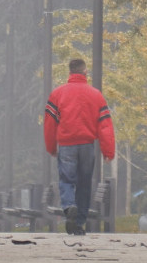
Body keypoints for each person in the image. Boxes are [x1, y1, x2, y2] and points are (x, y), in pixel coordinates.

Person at [43, 58, 116, 235]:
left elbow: (50, 124)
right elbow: (105, 125)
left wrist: (51, 147)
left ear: (70, 72)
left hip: (67, 145)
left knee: (67, 180)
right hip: (87, 146)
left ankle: (69, 207)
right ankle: (79, 223)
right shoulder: (96, 95)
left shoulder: (58, 94)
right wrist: (108, 151)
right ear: (85, 73)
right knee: (84, 184)